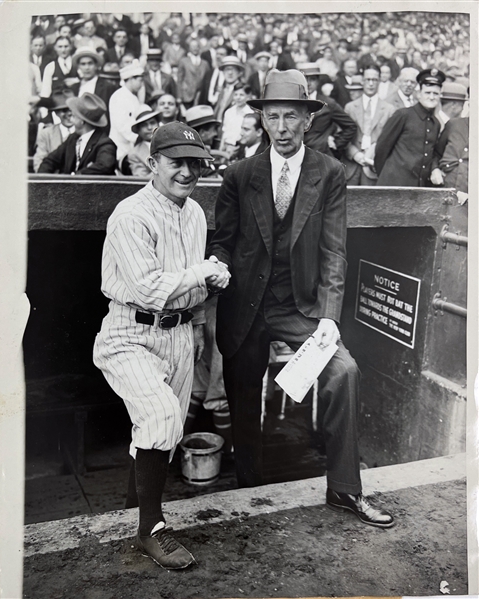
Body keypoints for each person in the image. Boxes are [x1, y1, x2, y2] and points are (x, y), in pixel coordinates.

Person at [208, 69, 394, 528]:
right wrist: (217, 265)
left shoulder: (329, 172)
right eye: (273, 117)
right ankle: (248, 493)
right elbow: (224, 239)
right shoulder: (239, 174)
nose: (284, 127)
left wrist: (329, 317)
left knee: (343, 371)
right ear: (263, 121)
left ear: (309, 120)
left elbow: (334, 249)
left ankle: (344, 490)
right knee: (244, 397)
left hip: (301, 306)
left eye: (292, 116)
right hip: (246, 304)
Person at [93, 121, 230, 570]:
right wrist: (200, 273)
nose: (188, 172)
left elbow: (191, 289)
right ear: (153, 163)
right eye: (177, 163)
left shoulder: (193, 213)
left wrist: (214, 278)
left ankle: (134, 511)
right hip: (131, 331)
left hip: (177, 333)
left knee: (161, 433)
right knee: (160, 414)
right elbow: (149, 289)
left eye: (195, 163)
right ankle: (150, 529)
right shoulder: (131, 214)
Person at [375, 68, 445, 186]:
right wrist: (386, 177)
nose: (432, 97)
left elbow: (431, 153)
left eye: (436, 93)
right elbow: (382, 148)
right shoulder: (403, 115)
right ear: (418, 94)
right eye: (427, 93)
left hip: (418, 188)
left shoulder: (436, 123)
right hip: (393, 184)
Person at [38, 92, 117, 175]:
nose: (71, 120)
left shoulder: (105, 144)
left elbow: (104, 166)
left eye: (73, 116)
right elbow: (51, 160)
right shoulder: (73, 138)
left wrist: (76, 176)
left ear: (81, 121)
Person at [343, 64, 395, 185]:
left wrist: (373, 154)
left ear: (380, 81)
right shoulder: (350, 107)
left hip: (375, 168)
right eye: (368, 80)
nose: (371, 84)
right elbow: (342, 136)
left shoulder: (389, 109)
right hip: (351, 167)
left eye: (375, 80)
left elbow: (390, 140)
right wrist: (355, 154)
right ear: (362, 81)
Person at [299, 63, 357, 159]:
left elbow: (350, 126)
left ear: (318, 81)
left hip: (320, 156)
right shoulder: (293, 103)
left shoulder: (328, 103)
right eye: (305, 79)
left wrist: (335, 145)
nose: (308, 83)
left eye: (312, 79)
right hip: (296, 156)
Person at [109, 61, 145, 164]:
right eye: (140, 80)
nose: (141, 84)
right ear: (130, 79)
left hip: (131, 147)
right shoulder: (119, 96)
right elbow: (122, 125)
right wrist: (137, 139)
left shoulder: (133, 97)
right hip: (120, 147)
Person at [33, 92, 75, 171]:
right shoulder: (46, 134)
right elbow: (39, 162)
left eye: (72, 109)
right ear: (56, 113)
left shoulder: (83, 132)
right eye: (64, 110)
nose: (69, 113)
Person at [177, 39, 211, 109]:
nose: (195, 48)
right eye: (192, 46)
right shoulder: (183, 61)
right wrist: (179, 96)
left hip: (201, 96)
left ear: (199, 48)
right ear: (189, 48)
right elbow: (179, 80)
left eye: (197, 46)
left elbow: (208, 80)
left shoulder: (205, 63)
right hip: (187, 94)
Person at [126, 108, 160, 178]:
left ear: (158, 124)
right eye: (144, 125)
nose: (149, 127)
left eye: (152, 123)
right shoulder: (134, 153)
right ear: (138, 131)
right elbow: (142, 179)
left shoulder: (171, 143)